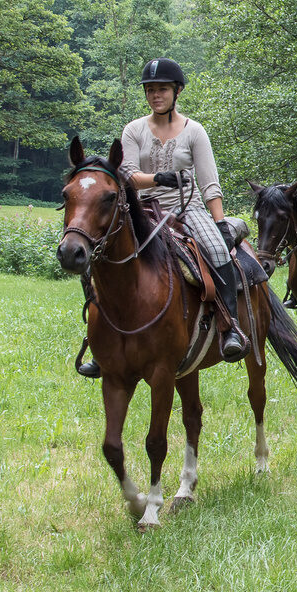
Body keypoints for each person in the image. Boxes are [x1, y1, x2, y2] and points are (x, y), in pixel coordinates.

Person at [76, 57, 249, 377]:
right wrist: (158, 179)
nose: (156, 95)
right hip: (141, 211)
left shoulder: (195, 131)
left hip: (187, 209)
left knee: (217, 251)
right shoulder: (134, 130)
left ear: (177, 92)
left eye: (163, 90)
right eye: (151, 90)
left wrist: (220, 221)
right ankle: (99, 341)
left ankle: (229, 327)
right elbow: (126, 174)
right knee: (96, 257)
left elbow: (209, 182)